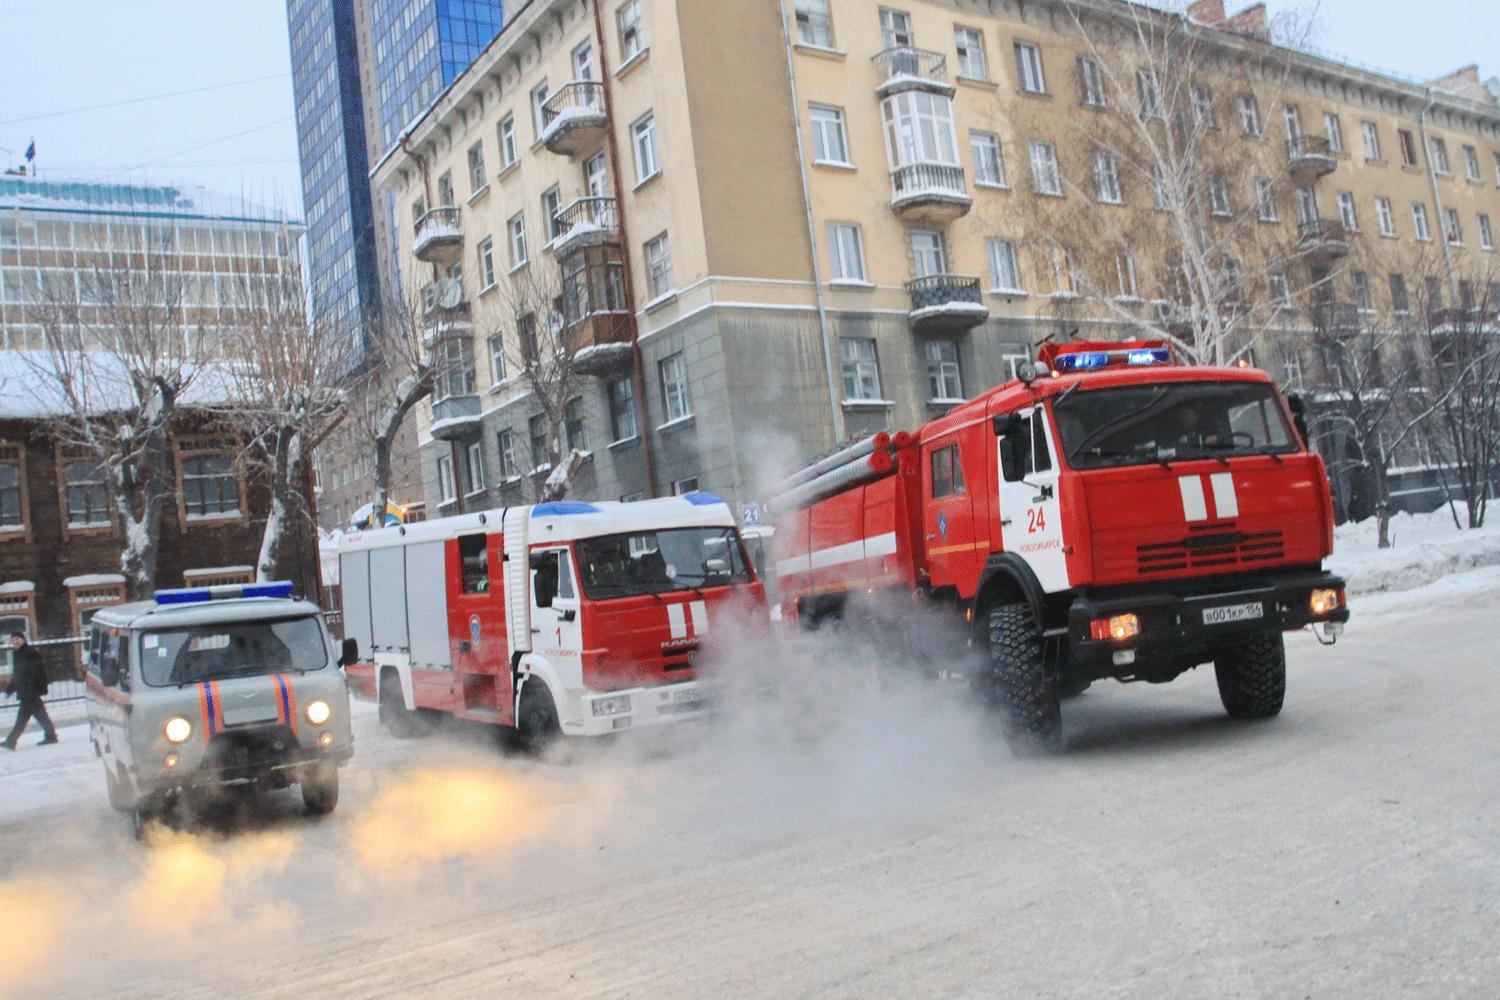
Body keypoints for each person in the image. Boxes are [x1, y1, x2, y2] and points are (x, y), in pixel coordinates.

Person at [2, 632, 58, 749]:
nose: (16, 642)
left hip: (30, 690)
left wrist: (37, 688)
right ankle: (51, 735)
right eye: (13, 640)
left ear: (23, 640)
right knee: (39, 714)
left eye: (18, 639)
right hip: (25, 690)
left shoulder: (31, 653)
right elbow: (17, 674)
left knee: (22, 717)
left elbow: (38, 672)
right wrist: (10, 689)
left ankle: (11, 741)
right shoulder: (17, 654)